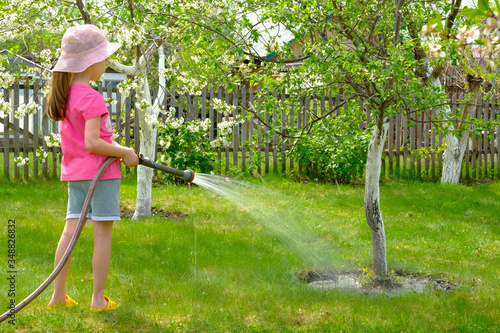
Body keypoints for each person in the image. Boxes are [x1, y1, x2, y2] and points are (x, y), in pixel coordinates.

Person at [46, 24, 138, 310]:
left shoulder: (65, 96)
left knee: (68, 233)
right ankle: (98, 299)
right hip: (102, 174)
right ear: (91, 62)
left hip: (76, 174)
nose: (106, 64)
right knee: (102, 234)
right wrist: (125, 152)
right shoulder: (92, 97)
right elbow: (93, 143)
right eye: (104, 59)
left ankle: (58, 297)